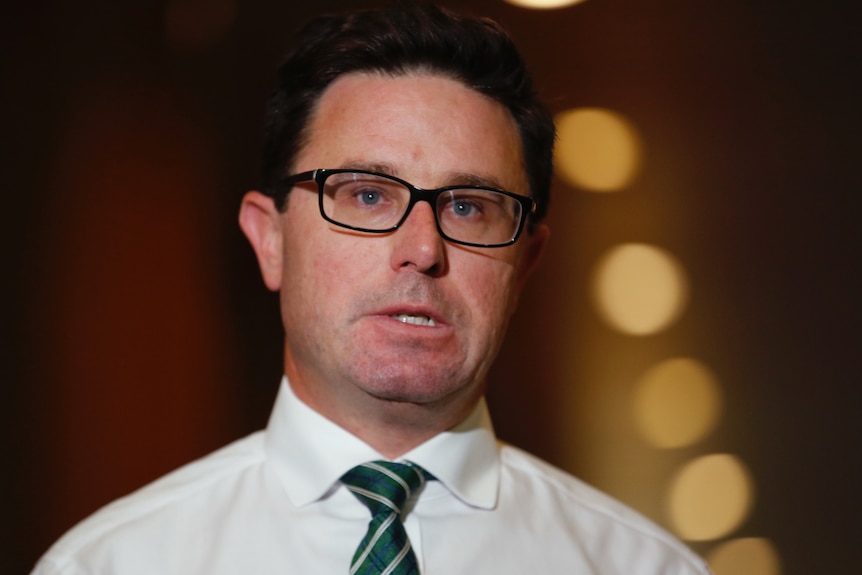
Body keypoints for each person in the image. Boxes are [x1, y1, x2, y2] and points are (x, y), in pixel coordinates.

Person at [33, 3, 711, 574]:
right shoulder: (112, 564)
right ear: (269, 239)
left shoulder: (645, 566)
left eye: (470, 206)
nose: (422, 250)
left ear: (526, 262)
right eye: (365, 194)